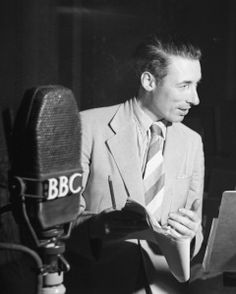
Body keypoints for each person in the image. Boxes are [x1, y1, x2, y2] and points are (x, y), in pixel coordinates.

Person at [65, 33, 204, 294]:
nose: (195, 99)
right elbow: (54, 228)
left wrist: (192, 232)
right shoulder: (86, 127)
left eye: (196, 85)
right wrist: (98, 226)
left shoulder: (192, 142)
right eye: (184, 86)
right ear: (148, 80)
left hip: (165, 286)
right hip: (100, 284)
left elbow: (194, 229)